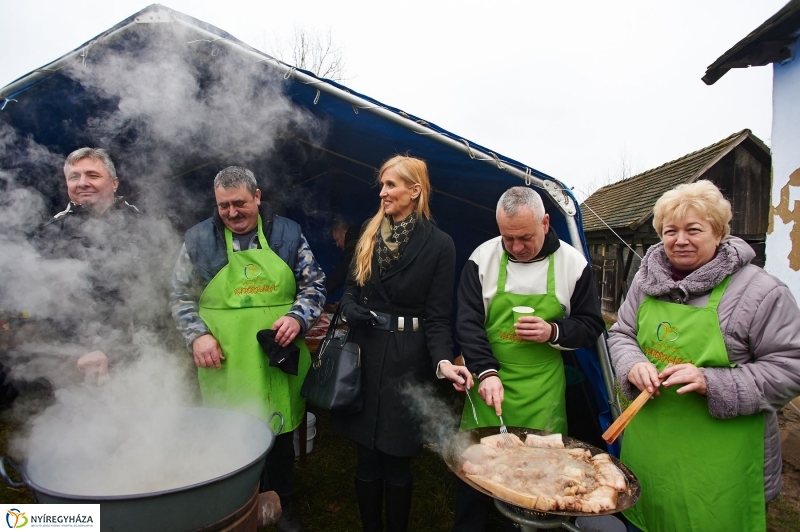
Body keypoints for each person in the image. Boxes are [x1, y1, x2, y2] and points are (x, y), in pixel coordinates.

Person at [607, 180, 800, 532]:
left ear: (719, 232)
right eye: (671, 231)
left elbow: (790, 368)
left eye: (693, 230)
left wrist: (713, 382)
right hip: (649, 446)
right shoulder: (645, 282)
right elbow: (622, 334)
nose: (680, 240)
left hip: (720, 464)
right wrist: (633, 364)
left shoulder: (761, 291)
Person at [169, 166, 326, 532]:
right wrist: (197, 335)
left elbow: (314, 285)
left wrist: (298, 317)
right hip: (225, 358)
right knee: (230, 432)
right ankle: (236, 507)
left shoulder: (287, 234)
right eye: (223, 206)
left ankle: (283, 504)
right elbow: (179, 297)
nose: (232, 213)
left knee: (280, 432)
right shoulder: (198, 240)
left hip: (277, 356)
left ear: (257, 197)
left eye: (239, 203)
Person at [330, 155, 473, 532]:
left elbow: (438, 318)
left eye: (391, 185)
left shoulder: (440, 245)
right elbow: (349, 289)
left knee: (396, 459)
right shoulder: (368, 232)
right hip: (364, 354)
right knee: (365, 457)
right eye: (382, 185)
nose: (382, 192)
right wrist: (350, 309)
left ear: (415, 190)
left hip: (407, 365)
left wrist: (443, 362)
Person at [453, 186, 605, 532]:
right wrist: (486, 372)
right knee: (474, 472)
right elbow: (468, 324)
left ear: (545, 223)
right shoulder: (482, 258)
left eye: (525, 237)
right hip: (490, 382)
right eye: (507, 238)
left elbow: (591, 325)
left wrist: (553, 331)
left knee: (540, 477)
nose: (516, 247)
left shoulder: (572, 264)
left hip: (542, 389)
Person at [35, 147, 142, 383]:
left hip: (145, 354)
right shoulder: (51, 232)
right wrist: (81, 349)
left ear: (114, 183)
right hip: (82, 361)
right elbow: (47, 304)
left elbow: (164, 290)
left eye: (92, 175)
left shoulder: (145, 224)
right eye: (74, 177)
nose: (82, 183)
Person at [324, 217, 359, 298]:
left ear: (344, 232)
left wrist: (319, 291)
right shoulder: (362, 237)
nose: (337, 244)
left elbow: (340, 275)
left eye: (337, 239)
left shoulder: (352, 246)